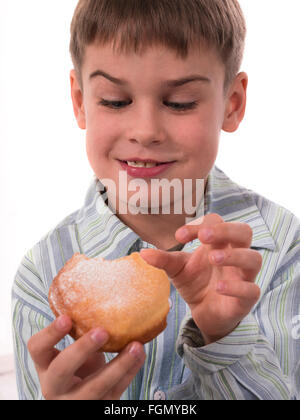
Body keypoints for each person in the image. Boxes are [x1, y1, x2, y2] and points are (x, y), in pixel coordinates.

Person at [12, 0, 300, 400]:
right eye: (115, 100)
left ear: (231, 104)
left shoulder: (284, 248)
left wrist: (223, 335)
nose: (145, 131)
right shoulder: (42, 276)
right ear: (80, 101)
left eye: (180, 103)